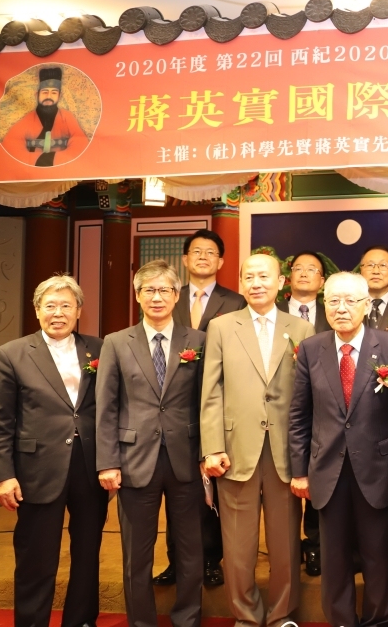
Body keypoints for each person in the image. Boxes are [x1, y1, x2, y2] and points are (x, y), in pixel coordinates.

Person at [288, 272, 388, 627]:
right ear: (324, 305)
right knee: (335, 558)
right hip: (327, 470)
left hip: (379, 470)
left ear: (366, 305)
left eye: (350, 301)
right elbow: (300, 414)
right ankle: (341, 620)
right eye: (333, 301)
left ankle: (378, 621)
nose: (341, 309)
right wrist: (299, 470)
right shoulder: (312, 348)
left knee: (379, 557)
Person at [201, 253, 315, 627]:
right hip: (235, 450)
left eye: (264, 276)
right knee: (237, 545)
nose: (256, 283)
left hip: (285, 451)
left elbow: (309, 395)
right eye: (248, 276)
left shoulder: (300, 329)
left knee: (285, 543)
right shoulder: (221, 326)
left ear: (280, 282)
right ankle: (246, 616)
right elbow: (211, 392)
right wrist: (212, 447)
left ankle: (282, 614)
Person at [0, 275, 108, 627]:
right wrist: (4, 475)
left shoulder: (98, 349)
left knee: (87, 554)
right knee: (36, 557)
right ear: (37, 310)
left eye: (66, 305)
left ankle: (81, 620)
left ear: (79, 311)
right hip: (35, 469)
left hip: (90, 466)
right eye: (50, 306)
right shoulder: (12, 354)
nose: (58, 313)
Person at [96, 261, 205, 627]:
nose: (156, 297)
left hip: (186, 458)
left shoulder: (199, 342)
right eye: (149, 290)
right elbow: (106, 407)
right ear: (137, 295)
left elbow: (208, 403)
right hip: (133, 460)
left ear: (177, 296)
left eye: (164, 290)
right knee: (136, 554)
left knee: (191, 550)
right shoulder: (116, 342)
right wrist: (107, 462)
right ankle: (141, 622)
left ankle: (187, 618)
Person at [161, 228, 244, 588]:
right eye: (196, 251)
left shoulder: (236, 301)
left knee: (211, 488)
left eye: (211, 252)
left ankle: (211, 559)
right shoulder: (167, 297)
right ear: (185, 259)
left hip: (216, 402)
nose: (203, 257)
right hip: (173, 405)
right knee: (177, 487)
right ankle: (175, 561)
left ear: (221, 261)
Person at [276, 250, 330, 576]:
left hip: (322, 413)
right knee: (282, 487)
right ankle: (285, 547)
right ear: (288, 277)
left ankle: (315, 546)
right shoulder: (272, 312)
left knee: (316, 482)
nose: (306, 273)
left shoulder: (334, 313)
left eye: (314, 270)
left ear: (322, 280)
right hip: (278, 411)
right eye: (299, 268)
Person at [1, 66, 89, 167]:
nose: (49, 97)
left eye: (54, 93)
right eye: (45, 92)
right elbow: (11, 145)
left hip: (62, 170)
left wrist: (52, 159)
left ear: (59, 96)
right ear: (36, 95)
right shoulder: (28, 120)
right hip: (33, 172)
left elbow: (81, 144)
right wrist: (39, 161)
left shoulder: (66, 117)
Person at [278, 251, 331, 334]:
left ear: (321, 281)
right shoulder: (274, 311)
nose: (303, 274)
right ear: (291, 277)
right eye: (298, 269)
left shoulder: (330, 315)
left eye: (311, 270)